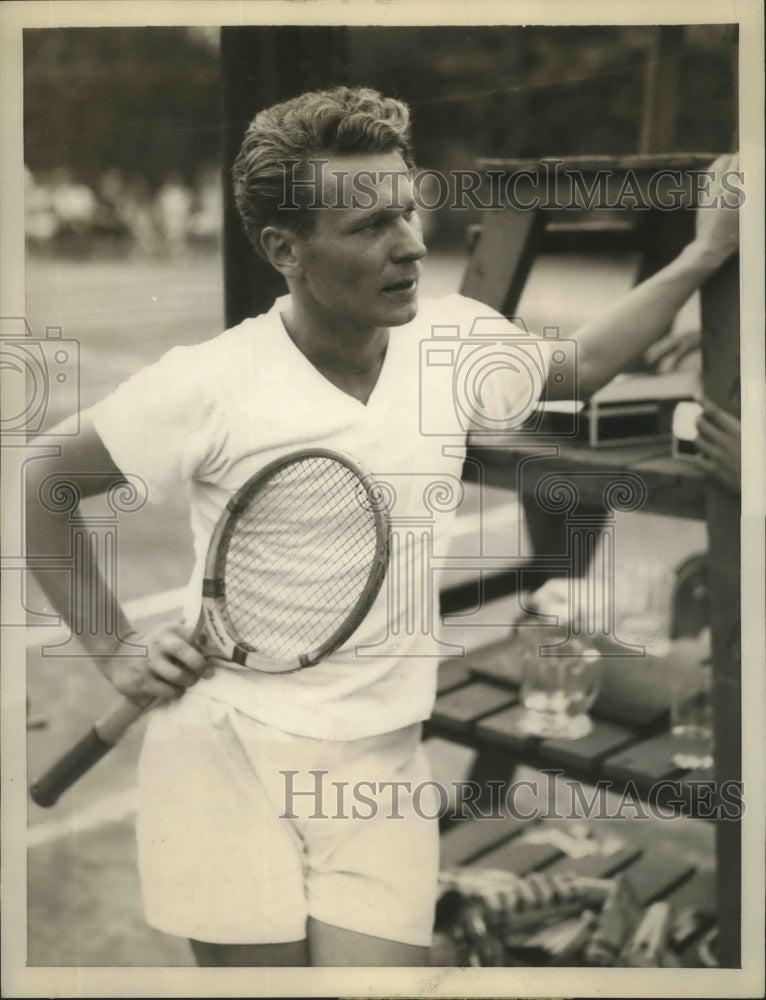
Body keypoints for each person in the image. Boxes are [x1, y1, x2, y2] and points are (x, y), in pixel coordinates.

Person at [26, 87, 739, 968]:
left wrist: (705, 253)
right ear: (285, 249)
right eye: (368, 226)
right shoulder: (208, 383)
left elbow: (583, 364)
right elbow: (45, 482)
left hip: (382, 766)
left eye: (408, 210)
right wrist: (115, 647)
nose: (409, 245)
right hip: (226, 757)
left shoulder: (453, 342)